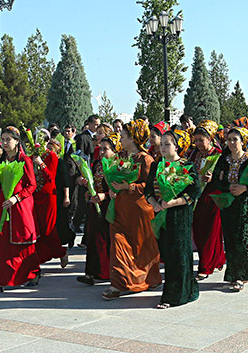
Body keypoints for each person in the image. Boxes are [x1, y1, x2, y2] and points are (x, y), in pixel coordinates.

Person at [102, 119, 162, 300]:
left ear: (133, 138)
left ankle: (149, 278)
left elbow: (152, 186)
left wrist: (128, 187)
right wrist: (113, 188)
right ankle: (118, 284)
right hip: (120, 209)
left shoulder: (146, 159)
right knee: (118, 245)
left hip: (139, 211)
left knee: (142, 248)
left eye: (124, 136)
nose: (120, 138)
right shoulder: (121, 157)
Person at [145, 129, 201, 309]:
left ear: (177, 146)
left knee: (179, 254)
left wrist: (173, 202)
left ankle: (173, 296)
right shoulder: (156, 165)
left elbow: (194, 191)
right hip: (161, 215)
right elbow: (148, 190)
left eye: (167, 144)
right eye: (161, 144)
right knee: (167, 253)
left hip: (180, 215)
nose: (162, 147)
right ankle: (185, 288)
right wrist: (153, 202)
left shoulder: (186, 166)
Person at [0, 127, 41, 295]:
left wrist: (16, 198)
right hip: (2, 205)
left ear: (17, 141)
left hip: (19, 205)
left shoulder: (25, 160)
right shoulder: (1, 160)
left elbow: (32, 185)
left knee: (21, 243)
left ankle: (31, 273)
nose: (4, 143)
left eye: (8, 139)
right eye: (2, 139)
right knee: (2, 244)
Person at [213, 124, 248, 291]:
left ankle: (243, 274)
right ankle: (233, 273)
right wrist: (227, 187)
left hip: (246, 204)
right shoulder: (224, 159)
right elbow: (216, 181)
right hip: (228, 203)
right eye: (229, 140)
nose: (231, 143)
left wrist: (245, 188)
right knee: (230, 239)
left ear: (243, 141)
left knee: (244, 239)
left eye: (235, 140)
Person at [77, 133, 116, 285]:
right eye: (100, 149)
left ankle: (106, 272)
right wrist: (87, 188)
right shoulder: (97, 164)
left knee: (106, 239)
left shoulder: (116, 165)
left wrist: (104, 196)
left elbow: (117, 190)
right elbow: (93, 183)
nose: (102, 152)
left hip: (109, 206)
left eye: (105, 149)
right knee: (93, 239)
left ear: (114, 150)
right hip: (95, 205)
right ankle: (91, 273)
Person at [189, 120, 224, 280]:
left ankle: (205, 266)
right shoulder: (193, 154)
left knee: (211, 232)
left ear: (210, 139)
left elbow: (225, 176)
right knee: (199, 231)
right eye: (196, 140)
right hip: (197, 198)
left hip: (212, 197)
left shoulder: (218, 154)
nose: (198, 143)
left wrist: (213, 178)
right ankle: (218, 258)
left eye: (201, 140)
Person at [34, 138, 68, 268]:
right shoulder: (35, 155)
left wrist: (41, 164)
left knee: (48, 229)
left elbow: (50, 177)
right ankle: (40, 257)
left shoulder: (52, 156)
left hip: (48, 196)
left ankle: (61, 252)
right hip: (36, 195)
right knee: (39, 229)